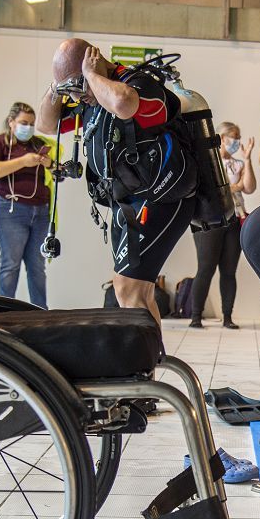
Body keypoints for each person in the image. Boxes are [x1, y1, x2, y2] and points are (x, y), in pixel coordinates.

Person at [37, 39, 197, 324]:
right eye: (70, 90)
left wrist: (91, 77)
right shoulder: (90, 99)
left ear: (93, 60)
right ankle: (150, 364)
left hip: (162, 198)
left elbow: (124, 104)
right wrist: (57, 86)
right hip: (127, 204)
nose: (76, 96)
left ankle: (144, 364)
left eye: (77, 86)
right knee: (139, 293)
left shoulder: (139, 85)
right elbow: (45, 125)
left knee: (127, 288)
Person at [0, 102, 55, 309]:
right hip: (9, 210)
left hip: (40, 212)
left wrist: (49, 164)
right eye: (23, 123)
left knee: (37, 267)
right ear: (11, 122)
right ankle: (4, 313)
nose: (28, 128)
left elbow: (59, 173)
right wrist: (23, 162)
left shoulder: (38, 143)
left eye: (31, 124)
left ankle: (41, 312)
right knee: (10, 265)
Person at [189, 122, 255, 329]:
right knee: (205, 268)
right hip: (209, 220)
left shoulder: (238, 164)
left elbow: (249, 187)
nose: (236, 141)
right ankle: (195, 316)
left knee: (229, 270)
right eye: (232, 137)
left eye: (238, 137)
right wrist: (235, 186)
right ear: (221, 137)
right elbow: (225, 187)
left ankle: (227, 317)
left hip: (235, 217)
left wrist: (247, 159)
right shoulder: (208, 162)